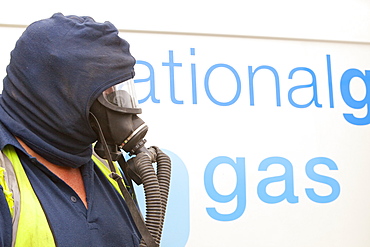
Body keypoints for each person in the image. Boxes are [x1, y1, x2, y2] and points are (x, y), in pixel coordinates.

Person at [0, 13, 142, 246]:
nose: (117, 100)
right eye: (106, 91)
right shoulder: (6, 171)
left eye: (119, 88)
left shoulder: (106, 164)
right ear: (53, 91)